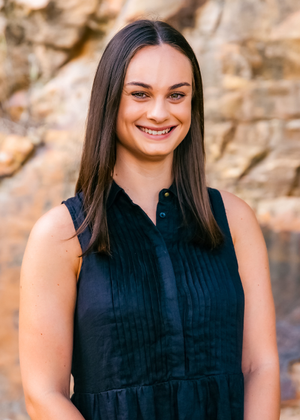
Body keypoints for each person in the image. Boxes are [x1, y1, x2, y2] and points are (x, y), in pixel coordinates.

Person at [19, 19, 280, 420]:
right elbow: (43, 394)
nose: (159, 113)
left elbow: (259, 367)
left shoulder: (234, 220)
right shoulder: (61, 235)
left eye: (177, 95)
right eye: (140, 94)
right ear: (110, 100)